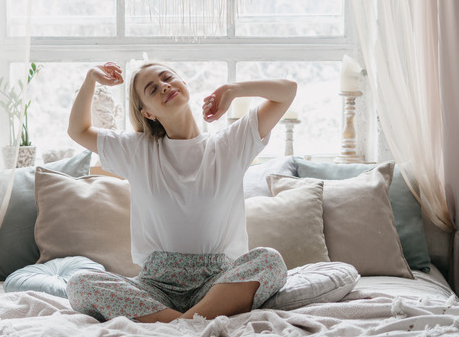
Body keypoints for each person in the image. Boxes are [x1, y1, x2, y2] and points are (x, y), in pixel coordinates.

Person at [65, 61, 296, 323]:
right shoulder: (136, 150)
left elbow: (287, 92)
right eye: (152, 89)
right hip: (155, 286)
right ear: (148, 113)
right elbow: (78, 130)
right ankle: (190, 324)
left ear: (183, 85)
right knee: (80, 283)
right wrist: (91, 79)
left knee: (270, 260)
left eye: (167, 78)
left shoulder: (230, 143)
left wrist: (233, 89)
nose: (164, 86)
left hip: (216, 283)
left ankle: (175, 325)